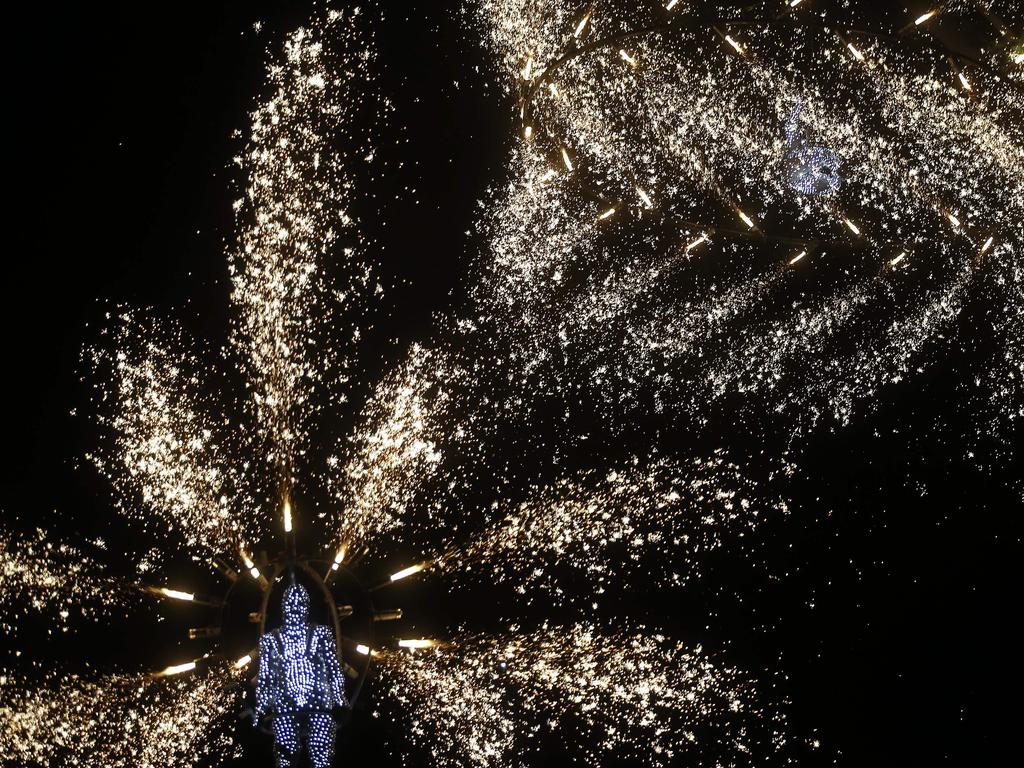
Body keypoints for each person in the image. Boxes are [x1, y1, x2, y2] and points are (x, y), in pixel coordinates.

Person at [255, 580, 347, 768]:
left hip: (319, 705)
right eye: (291, 604)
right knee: (286, 756)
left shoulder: (321, 633)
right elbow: (266, 676)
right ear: (284, 608)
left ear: (306, 607)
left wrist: (340, 700)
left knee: (321, 753)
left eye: (300, 604)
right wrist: (261, 708)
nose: (295, 608)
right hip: (285, 708)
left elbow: (333, 668)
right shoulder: (271, 640)